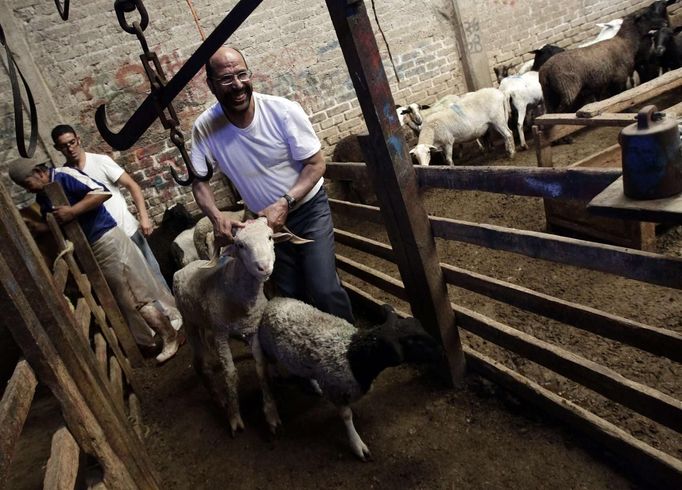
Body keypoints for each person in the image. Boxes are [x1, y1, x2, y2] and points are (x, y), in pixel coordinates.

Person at [190, 46, 354, 324]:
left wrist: (285, 202)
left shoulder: (282, 111)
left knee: (323, 288)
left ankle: (351, 350)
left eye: (242, 74)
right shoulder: (205, 127)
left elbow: (316, 164)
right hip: (263, 224)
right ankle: (311, 356)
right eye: (227, 79)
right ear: (211, 85)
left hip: (307, 210)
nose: (238, 85)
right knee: (291, 294)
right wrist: (216, 217)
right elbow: (199, 182)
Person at [8, 160, 181, 363]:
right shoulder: (43, 195)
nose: (27, 189)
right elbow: (60, 220)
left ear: (38, 172)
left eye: (27, 183)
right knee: (125, 297)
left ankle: (170, 335)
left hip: (106, 239)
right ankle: (155, 337)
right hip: (90, 247)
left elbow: (100, 192)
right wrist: (43, 228)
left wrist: (73, 211)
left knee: (134, 294)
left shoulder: (64, 176)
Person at [50, 124, 170, 292]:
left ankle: (176, 315)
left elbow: (132, 186)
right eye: (64, 146)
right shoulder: (66, 175)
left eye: (72, 142)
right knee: (134, 286)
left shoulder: (100, 161)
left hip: (128, 229)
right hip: (108, 240)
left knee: (153, 273)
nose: (70, 148)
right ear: (57, 148)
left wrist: (144, 217)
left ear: (78, 139)